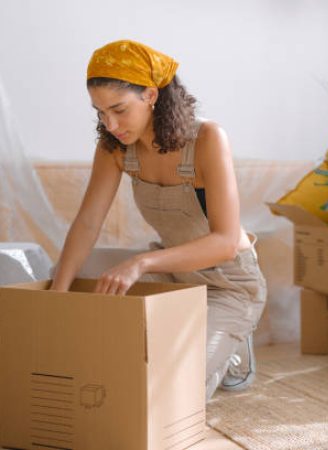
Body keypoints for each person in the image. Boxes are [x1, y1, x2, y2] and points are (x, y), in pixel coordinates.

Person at [51, 39, 267, 401]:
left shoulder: (209, 138)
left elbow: (227, 241)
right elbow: (88, 223)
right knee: (76, 268)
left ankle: (232, 352)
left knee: (167, 393)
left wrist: (141, 262)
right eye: (100, 112)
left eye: (119, 109)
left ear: (150, 95)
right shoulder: (114, 146)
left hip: (229, 285)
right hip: (174, 276)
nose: (110, 123)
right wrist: (56, 297)